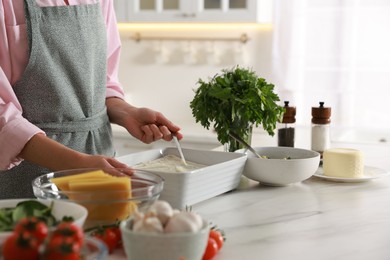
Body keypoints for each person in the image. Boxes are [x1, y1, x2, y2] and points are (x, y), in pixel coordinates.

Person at [0, 0, 183, 199]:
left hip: (100, 163)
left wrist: (126, 113)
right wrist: (78, 162)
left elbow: (103, 82)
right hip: (24, 181)